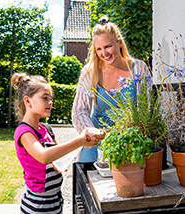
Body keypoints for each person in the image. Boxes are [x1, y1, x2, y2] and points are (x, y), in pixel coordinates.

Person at [12, 72, 105, 214]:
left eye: (50, 99)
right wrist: (79, 140)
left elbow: (58, 157)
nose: (50, 102)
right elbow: (44, 156)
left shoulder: (47, 129)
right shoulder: (24, 132)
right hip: (37, 205)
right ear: (28, 101)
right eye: (45, 98)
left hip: (55, 200)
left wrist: (85, 141)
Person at [72, 16, 151, 163]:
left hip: (131, 140)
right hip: (97, 141)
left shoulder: (139, 68)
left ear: (119, 43)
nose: (104, 53)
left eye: (108, 46)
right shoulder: (90, 72)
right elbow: (79, 111)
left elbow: (145, 109)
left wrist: (130, 135)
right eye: (99, 49)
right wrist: (94, 133)